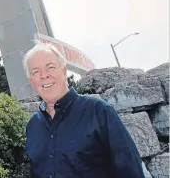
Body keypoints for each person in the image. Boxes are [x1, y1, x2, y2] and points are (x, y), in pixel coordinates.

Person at [23, 42, 144, 178]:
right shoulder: (33, 126)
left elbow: (130, 171)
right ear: (31, 81)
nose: (44, 75)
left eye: (50, 67)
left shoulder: (98, 111)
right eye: (36, 72)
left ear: (64, 71)